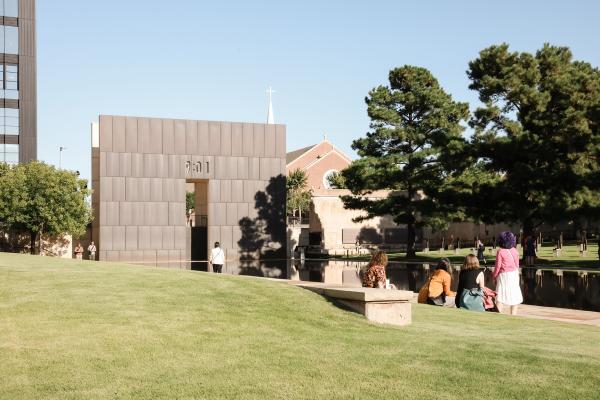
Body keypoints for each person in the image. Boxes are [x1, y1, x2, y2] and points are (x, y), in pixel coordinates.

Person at [493, 231, 523, 315]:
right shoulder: (515, 251)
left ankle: (498, 315)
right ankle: (513, 315)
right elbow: (517, 265)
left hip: (504, 275)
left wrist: (494, 276)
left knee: (500, 296)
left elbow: (497, 266)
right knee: (514, 294)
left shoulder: (500, 251)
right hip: (514, 274)